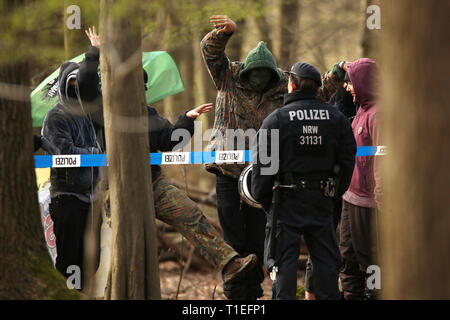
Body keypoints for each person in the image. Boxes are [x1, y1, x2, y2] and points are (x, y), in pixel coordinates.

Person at [201, 15, 289, 300]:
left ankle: (252, 289)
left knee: (257, 232)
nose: (259, 80)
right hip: (227, 169)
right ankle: (234, 288)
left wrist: (337, 75)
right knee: (231, 228)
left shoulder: (282, 85)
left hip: (260, 172)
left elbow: (314, 88)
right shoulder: (228, 75)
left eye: (266, 75)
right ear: (247, 71)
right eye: (256, 74)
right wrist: (225, 33)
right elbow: (209, 50)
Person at [251, 62, 356, 300]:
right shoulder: (336, 118)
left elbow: (262, 168)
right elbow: (348, 159)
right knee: (327, 264)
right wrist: (334, 193)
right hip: (322, 201)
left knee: (283, 263)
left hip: (286, 203)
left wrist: (267, 202)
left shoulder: (276, 119)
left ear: (292, 85)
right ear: (318, 88)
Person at [304, 61, 357, 300]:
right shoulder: (331, 110)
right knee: (323, 241)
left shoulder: (366, 109)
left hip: (351, 187)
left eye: (352, 83)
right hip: (333, 185)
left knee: (342, 246)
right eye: (346, 83)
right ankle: (312, 293)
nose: (349, 88)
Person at [338, 58, 381, 300]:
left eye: (352, 81)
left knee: (370, 263)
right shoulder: (361, 110)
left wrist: (382, 199)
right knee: (347, 259)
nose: (348, 86)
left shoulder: (379, 114)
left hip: (369, 202)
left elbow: (383, 159)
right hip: (349, 197)